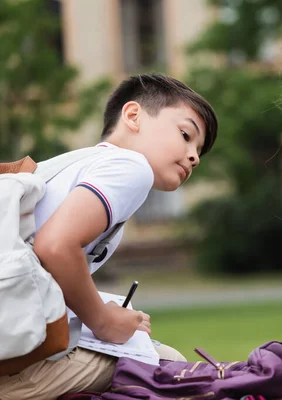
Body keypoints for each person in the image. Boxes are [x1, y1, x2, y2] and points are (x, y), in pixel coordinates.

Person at [0, 74, 218, 400]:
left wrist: (108, 312)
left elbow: (42, 269)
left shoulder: (66, 166)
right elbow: (55, 246)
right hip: (16, 368)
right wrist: (103, 322)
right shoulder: (130, 168)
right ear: (133, 116)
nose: (194, 156)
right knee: (173, 371)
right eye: (186, 135)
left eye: (198, 151)